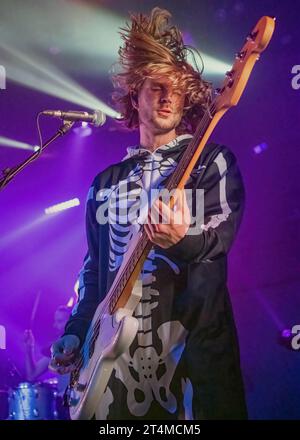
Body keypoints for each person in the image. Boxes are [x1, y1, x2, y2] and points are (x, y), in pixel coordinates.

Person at [50, 7, 247, 420]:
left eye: (175, 88)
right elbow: (92, 274)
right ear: (134, 96)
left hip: (188, 360)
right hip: (108, 371)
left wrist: (181, 239)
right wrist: (74, 332)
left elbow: (219, 240)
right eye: (156, 86)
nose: (167, 96)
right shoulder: (104, 184)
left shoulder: (211, 162)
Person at [24, 305, 71, 419]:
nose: (55, 325)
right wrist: (29, 348)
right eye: (55, 321)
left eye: (59, 321)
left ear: (71, 320)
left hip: (84, 399)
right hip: (64, 404)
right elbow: (32, 374)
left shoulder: (83, 340)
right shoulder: (55, 347)